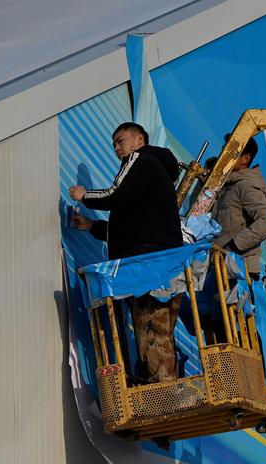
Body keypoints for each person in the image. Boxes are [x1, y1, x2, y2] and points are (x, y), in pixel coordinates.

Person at [69, 122, 183, 383]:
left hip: (147, 267)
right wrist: (92, 227)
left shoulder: (140, 159)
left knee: (151, 333)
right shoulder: (156, 174)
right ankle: (165, 392)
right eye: (114, 144)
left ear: (139, 140)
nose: (116, 148)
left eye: (120, 141)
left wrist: (84, 195)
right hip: (164, 266)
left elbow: (116, 195)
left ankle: (161, 398)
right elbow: (132, 224)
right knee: (160, 335)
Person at [212, 137, 266, 279]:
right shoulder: (228, 185)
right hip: (222, 268)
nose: (223, 154)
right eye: (223, 149)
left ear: (245, 159)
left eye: (229, 151)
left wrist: (235, 245)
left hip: (239, 271)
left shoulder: (246, 185)